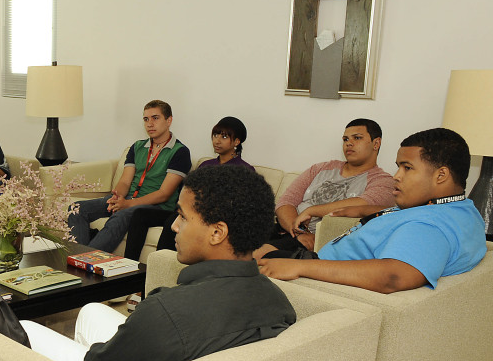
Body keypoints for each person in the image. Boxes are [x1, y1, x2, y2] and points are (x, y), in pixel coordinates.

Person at [17, 165, 295, 361]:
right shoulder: (277, 300)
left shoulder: (167, 310)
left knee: (24, 328)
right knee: (90, 311)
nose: (174, 226)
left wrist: (106, 353)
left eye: (183, 218)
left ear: (217, 233)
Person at [259, 128, 487, 293]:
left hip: (317, 276)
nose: (397, 176)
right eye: (399, 167)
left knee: (239, 263)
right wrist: (369, 209)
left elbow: (392, 277)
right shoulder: (462, 210)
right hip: (320, 263)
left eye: (407, 168)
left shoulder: (428, 226)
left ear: (441, 175)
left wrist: (300, 266)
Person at [124, 116, 253, 310]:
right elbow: (188, 194)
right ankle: (131, 275)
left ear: (237, 142)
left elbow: (237, 206)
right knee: (141, 215)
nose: (217, 140)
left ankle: (154, 286)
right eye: (216, 135)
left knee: (172, 224)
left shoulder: (244, 170)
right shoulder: (206, 166)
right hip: (187, 213)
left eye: (224, 136)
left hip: (211, 221)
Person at [254, 118, 395, 257]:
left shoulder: (383, 181)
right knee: (236, 241)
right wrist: (298, 231)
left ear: (376, 143)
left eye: (357, 138)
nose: (349, 143)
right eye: (345, 139)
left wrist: (312, 211)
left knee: (257, 255)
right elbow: (286, 202)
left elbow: (362, 204)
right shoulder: (320, 169)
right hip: (289, 229)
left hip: (320, 241)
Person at [68, 100, 192, 254]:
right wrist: (117, 197)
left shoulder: (180, 152)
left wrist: (127, 204)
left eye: (155, 118)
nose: (149, 124)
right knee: (76, 208)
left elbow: (164, 194)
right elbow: (125, 181)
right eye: (146, 119)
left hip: (154, 206)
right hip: (127, 199)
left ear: (169, 120)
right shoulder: (137, 147)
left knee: (121, 215)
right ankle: (77, 256)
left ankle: (85, 259)